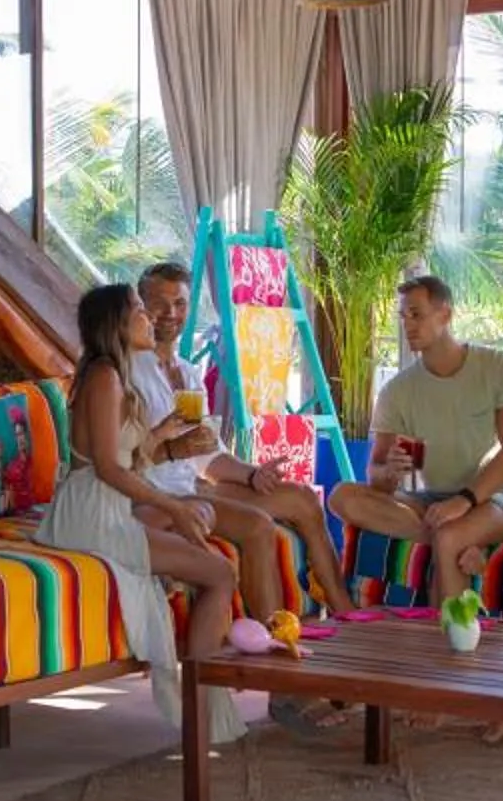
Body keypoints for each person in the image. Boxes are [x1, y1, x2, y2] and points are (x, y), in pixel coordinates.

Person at [37, 282, 247, 744]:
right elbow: (109, 469)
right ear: (116, 322)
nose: (149, 318)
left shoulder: (111, 375)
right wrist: (173, 503)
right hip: (94, 511)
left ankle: (203, 702)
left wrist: (160, 435)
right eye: (138, 310)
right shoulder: (105, 377)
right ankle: (200, 706)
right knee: (219, 574)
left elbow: (123, 457)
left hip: (101, 505)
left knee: (214, 565)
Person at [134, 260, 351, 615]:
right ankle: (272, 632)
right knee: (259, 526)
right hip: (154, 495)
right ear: (141, 307)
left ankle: (344, 610)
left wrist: (252, 474)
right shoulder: (126, 373)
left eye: (180, 304)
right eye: (159, 303)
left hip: (192, 486)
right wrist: (172, 450)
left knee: (302, 500)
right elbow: (120, 459)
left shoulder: (188, 374)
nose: (170, 313)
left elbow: (206, 456)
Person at [326, 272, 503, 600]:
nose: (407, 325)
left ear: (446, 315)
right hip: (433, 501)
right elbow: (376, 478)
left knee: (450, 534)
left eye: (416, 314)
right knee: (342, 496)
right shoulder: (397, 391)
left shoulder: (501, 367)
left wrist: (463, 502)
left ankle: (449, 642)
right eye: (403, 316)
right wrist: (390, 473)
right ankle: (462, 541)